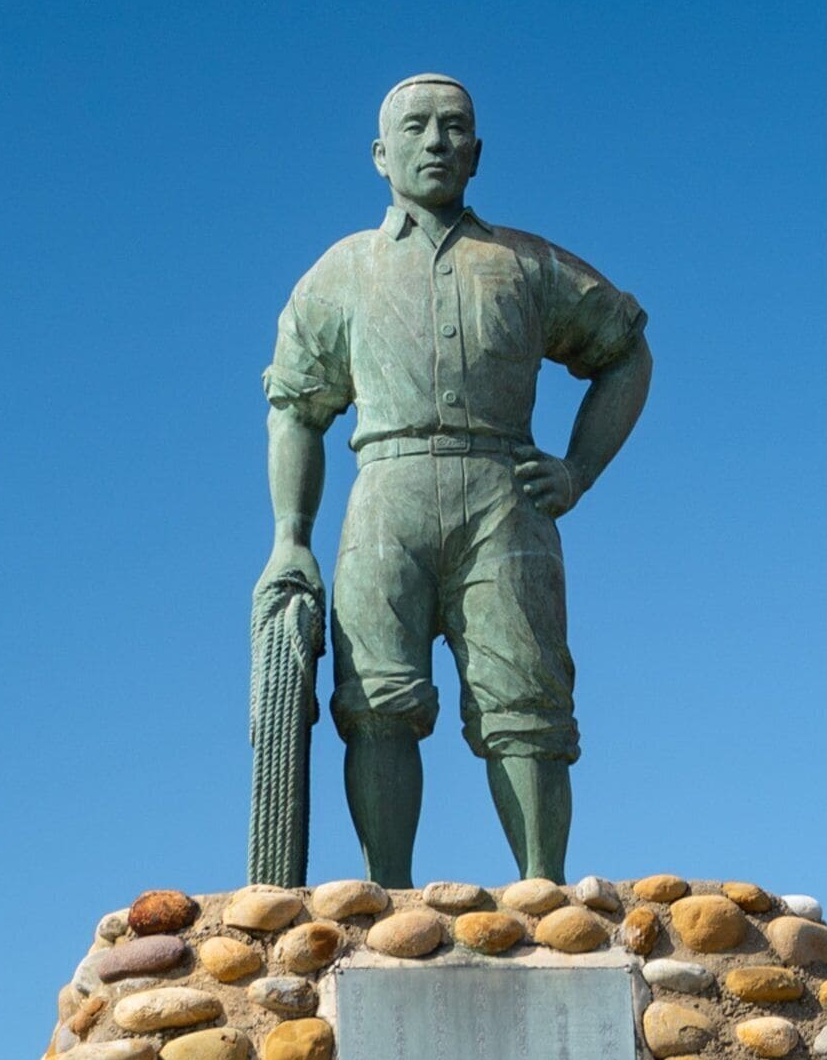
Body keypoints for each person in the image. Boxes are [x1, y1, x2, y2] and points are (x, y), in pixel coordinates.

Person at [259, 74, 653, 885]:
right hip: (386, 494)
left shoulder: (526, 263)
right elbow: (297, 406)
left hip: (502, 497)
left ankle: (546, 898)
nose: (436, 140)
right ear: (380, 154)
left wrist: (577, 470)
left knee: (529, 707)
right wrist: (289, 539)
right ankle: (389, 900)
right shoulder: (343, 271)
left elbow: (625, 353)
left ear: (478, 151)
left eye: (454, 127)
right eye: (416, 126)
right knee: (375, 705)